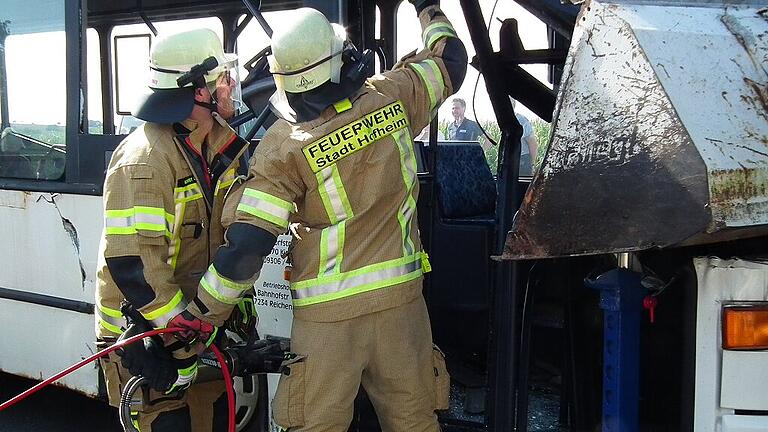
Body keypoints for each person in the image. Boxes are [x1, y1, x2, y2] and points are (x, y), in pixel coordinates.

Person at [143, 2, 468, 431]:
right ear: (341, 60)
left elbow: (247, 248)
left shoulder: (282, 147)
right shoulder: (396, 92)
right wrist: (428, 9)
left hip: (328, 326)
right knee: (413, 423)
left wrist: (200, 319)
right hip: (402, 311)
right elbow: (451, 60)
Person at [95, 28, 254, 432]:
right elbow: (137, 269)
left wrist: (227, 313)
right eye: (221, 78)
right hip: (148, 343)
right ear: (197, 92)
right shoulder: (145, 162)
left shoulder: (218, 148)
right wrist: (179, 341)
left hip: (192, 333)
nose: (230, 86)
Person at [511, 98, 539, 176]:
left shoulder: (521, 121)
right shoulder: (505, 121)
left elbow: (532, 143)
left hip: (522, 161)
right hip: (509, 160)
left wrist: (532, 164)